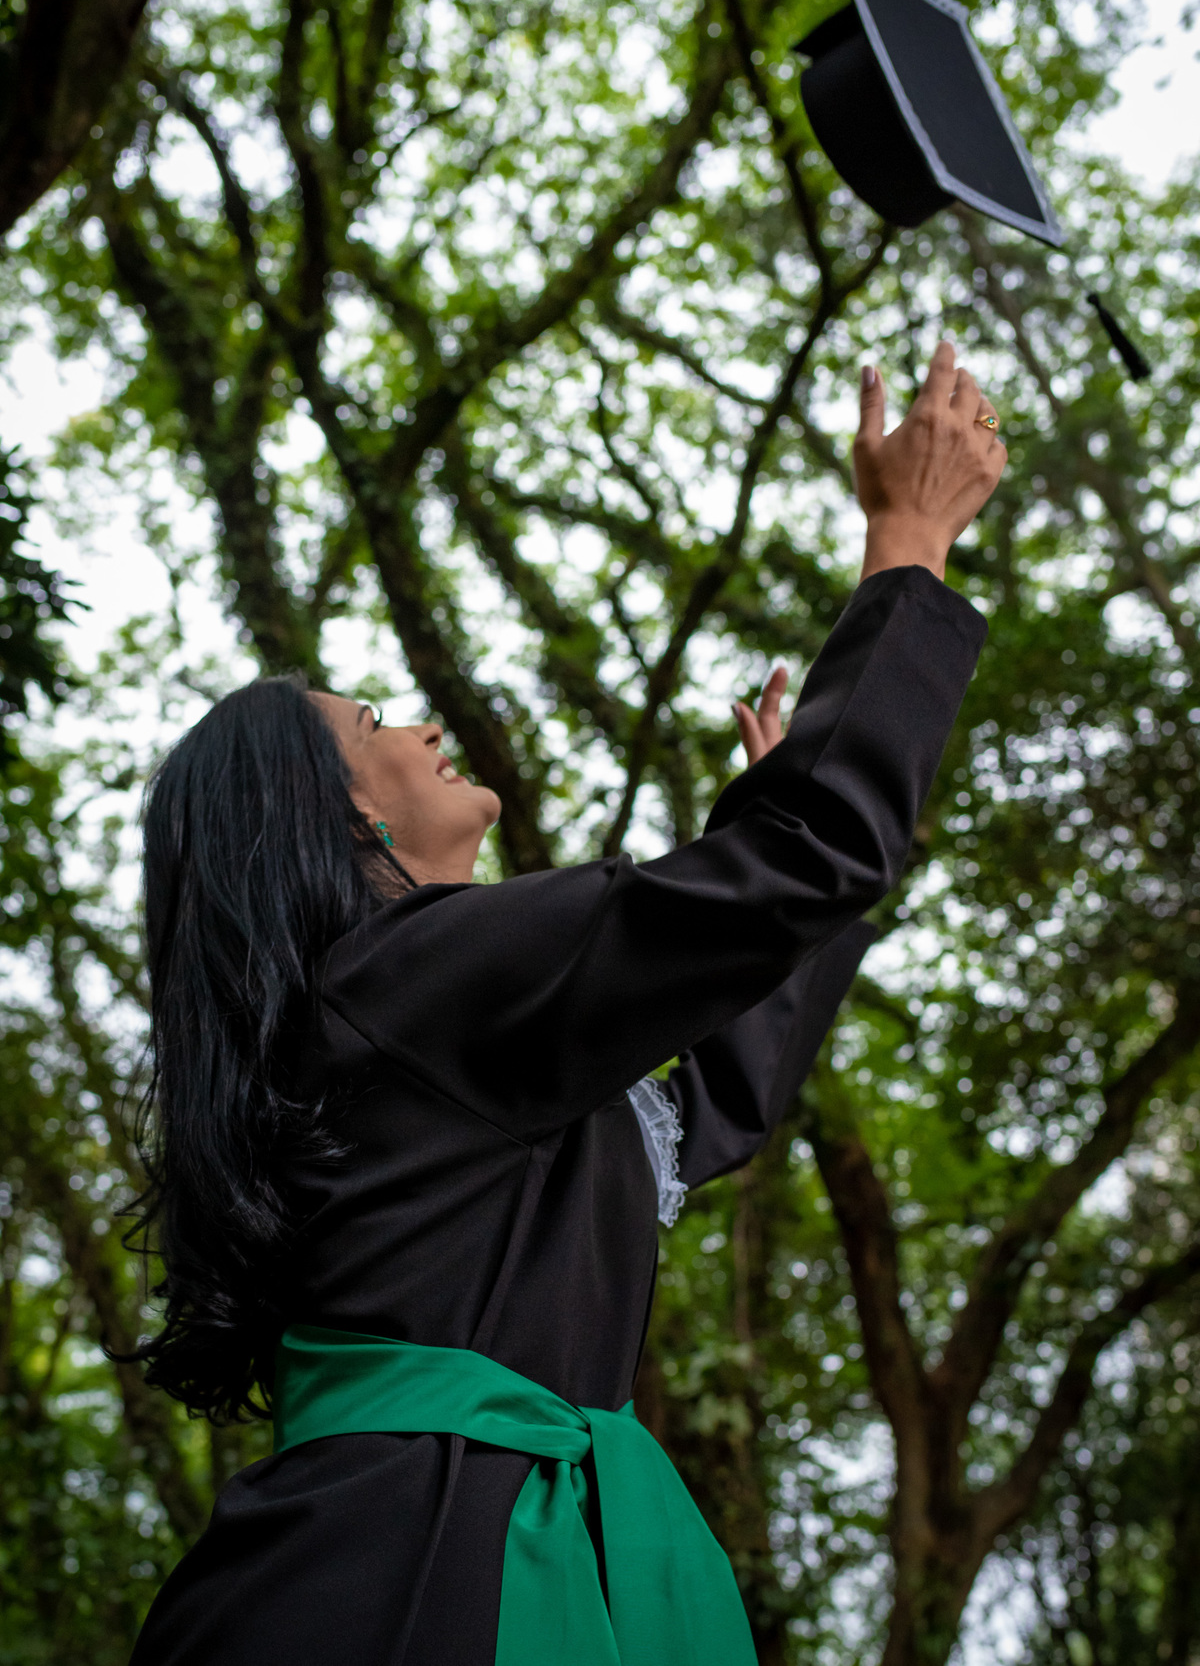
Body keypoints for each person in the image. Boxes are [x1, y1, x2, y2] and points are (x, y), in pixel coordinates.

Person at [127, 342, 1005, 1666]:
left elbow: (706, 1099)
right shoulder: (398, 979)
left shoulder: (424, 1027)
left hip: (419, 1556)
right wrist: (907, 541)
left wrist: (787, 843)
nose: (418, 725)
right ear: (344, 809)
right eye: (374, 718)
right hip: (406, 1578)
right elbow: (799, 863)